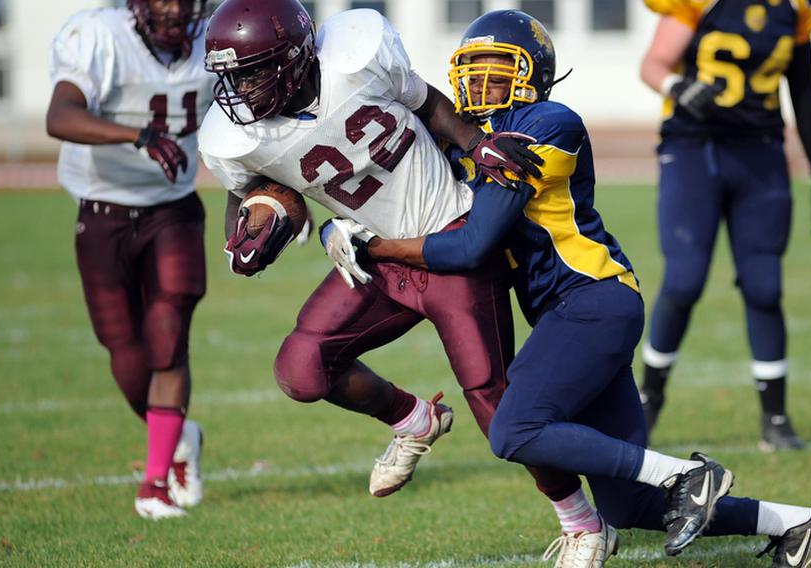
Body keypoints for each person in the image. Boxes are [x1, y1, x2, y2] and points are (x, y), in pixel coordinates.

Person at [355, 10, 811, 567]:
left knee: (514, 429)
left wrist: (376, 247)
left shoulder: (549, 122)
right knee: (629, 504)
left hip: (592, 299)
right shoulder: (475, 140)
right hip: (570, 314)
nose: (480, 87)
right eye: (472, 73)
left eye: (497, 73)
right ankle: (802, 523)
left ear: (532, 75)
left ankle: (688, 474)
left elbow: (473, 245)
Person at [197, 0, 604, 557]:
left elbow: (427, 101)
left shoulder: (355, 54)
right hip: (374, 258)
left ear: (293, 58)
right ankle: (413, 420)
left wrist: (471, 142)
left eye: (251, 72)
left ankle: (581, 522)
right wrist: (247, 237)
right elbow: (250, 197)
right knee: (302, 369)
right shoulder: (235, 136)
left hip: (447, 239)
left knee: (494, 407)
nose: (240, 90)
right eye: (232, 77)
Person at [637, 0, 811, 450]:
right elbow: (652, 63)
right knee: (684, 280)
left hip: (760, 153)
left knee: (764, 285)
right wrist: (677, 86)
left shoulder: (796, 8)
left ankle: (776, 418)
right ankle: (648, 399)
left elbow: (803, 90)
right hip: (695, 147)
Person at [46, 0, 212, 519]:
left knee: (168, 333)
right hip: (102, 210)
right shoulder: (99, 35)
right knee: (125, 357)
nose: (175, 8)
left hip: (173, 209)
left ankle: (155, 483)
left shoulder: (217, 37)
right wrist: (138, 135)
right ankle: (180, 435)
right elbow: (60, 116)